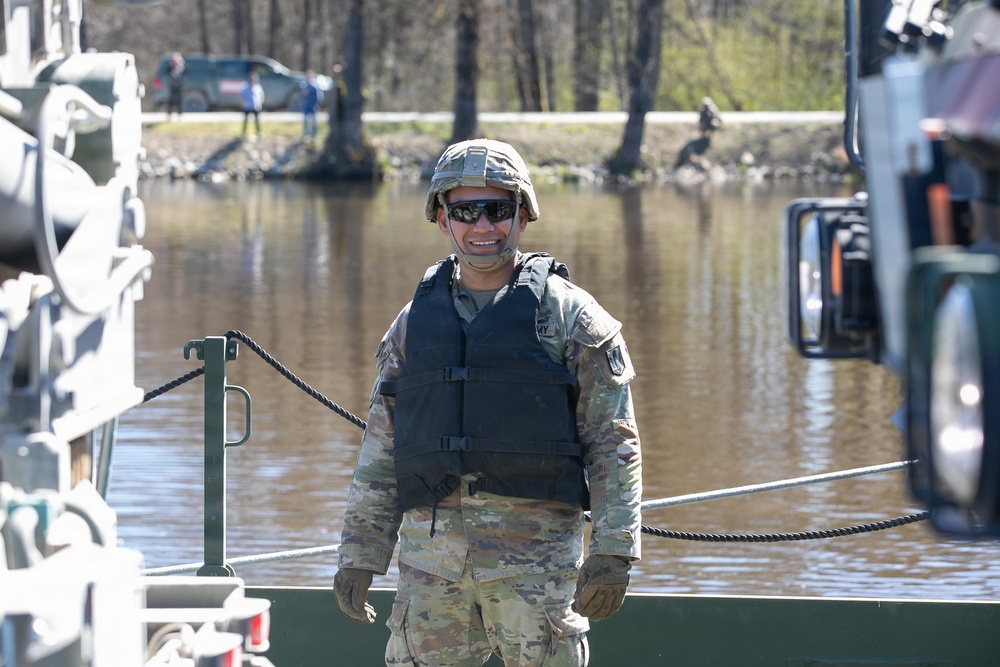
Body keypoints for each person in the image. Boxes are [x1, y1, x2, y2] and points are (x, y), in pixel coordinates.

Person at [333, 138, 643, 666]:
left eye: (497, 210)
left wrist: (614, 550)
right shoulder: (413, 324)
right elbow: (383, 449)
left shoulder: (572, 319)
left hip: (535, 571)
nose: (482, 227)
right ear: (441, 219)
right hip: (432, 573)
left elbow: (613, 443)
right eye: (465, 212)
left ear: (522, 216)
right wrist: (362, 553)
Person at [298, 70, 321, 140]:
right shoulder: (303, 85)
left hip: (313, 105)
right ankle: (306, 134)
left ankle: (314, 135)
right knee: (305, 120)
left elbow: (319, 97)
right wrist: (304, 93)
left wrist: (317, 104)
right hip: (306, 105)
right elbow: (300, 94)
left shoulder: (315, 86)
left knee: (314, 121)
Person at [240, 71, 264, 139]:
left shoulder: (258, 87)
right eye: (251, 78)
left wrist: (260, 103)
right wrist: (243, 103)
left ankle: (259, 133)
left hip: (256, 107)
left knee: (257, 121)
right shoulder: (245, 87)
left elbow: (261, 96)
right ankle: (243, 133)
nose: (252, 80)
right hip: (247, 107)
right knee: (246, 121)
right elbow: (242, 97)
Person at [167, 52, 187, 118]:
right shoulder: (171, 66)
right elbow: (167, 71)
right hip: (172, 85)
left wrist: (181, 65)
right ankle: (169, 113)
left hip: (180, 85)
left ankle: (180, 113)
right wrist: (172, 65)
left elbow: (187, 70)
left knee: (180, 100)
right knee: (171, 100)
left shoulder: (182, 66)